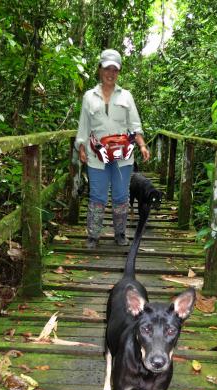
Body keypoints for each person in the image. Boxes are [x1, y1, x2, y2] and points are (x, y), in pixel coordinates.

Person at [75, 49, 150, 249]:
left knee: (120, 195)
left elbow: (135, 125)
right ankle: (93, 235)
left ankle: (120, 233)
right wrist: (81, 147)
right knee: (97, 195)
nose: (110, 73)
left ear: (119, 72)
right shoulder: (89, 96)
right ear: (100, 69)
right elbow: (84, 125)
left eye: (114, 70)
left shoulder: (126, 96)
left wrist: (142, 145)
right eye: (107, 68)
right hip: (96, 154)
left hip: (122, 156)